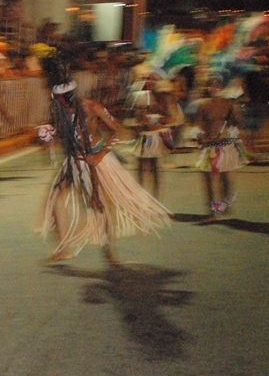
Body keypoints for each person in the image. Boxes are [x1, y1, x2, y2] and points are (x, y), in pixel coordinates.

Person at [39, 55, 171, 264]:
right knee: (55, 199)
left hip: (96, 159)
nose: (60, 104)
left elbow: (119, 130)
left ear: (69, 95)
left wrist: (101, 154)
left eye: (62, 100)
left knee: (98, 205)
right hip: (74, 160)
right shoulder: (59, 111)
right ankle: (63, 247)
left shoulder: (92, 107)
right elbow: (65, 135)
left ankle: (109, 251)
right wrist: (49, 137)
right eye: (58, 101)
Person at [195, 75, 248, 220]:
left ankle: (226, 201)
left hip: (225, 145)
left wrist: (236, 108)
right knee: (210, 180)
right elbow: (199, 125)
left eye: (217, 86)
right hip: (209, 145)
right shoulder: (203, 106)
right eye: (211, 86)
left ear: (222, 88)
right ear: (208, 88)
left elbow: (237, 122)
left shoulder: (229, 104)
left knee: (226, 179)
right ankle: (212, 212)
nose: (214, 89)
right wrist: (200, 136)